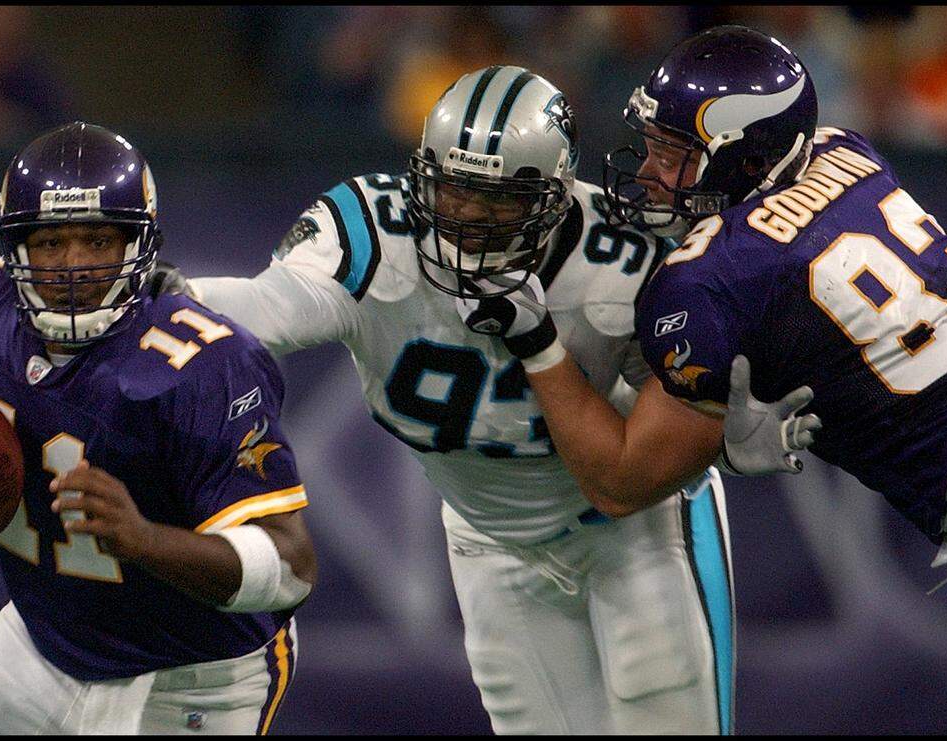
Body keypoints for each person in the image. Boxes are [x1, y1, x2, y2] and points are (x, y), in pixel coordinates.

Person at [158, 66, 812, 734]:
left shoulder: (624, 257)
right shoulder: (374, 236)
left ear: (556, 198)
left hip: (638, 535)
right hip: (488, 541)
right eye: (452, 190)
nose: (467, 220)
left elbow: (655, 441)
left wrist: (718, 440)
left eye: (497, 201)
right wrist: (181, 302)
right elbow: (275, 305)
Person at [0, 122, 317, 734]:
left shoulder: (205, 367)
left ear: (138, 244)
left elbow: (291, 568)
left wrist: (146, 540)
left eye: (97, 240)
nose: (73, 267)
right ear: (14, 249)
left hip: (193, 674)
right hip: (41, 643)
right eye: (49, 242)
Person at [469, 26, 947, 588]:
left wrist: (538, 344)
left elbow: (618, 483)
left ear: (749, 162)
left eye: (671, 153)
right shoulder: (843, 148)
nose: (646, 174)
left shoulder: (701, 286)